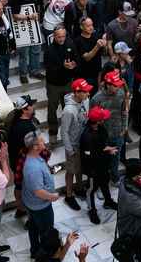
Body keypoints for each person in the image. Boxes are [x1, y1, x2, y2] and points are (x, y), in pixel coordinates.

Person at [22, 131, 60, 258]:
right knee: (46, 232)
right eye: (41, 141)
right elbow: (38, 192)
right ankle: (46, 255)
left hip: (33, 204)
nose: (44, 141)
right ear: (35, 147)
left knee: (33, 227)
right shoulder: (33, 168)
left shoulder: (35, 157)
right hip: (40, 207)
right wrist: (53, 197)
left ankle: (35, 250)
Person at [80, 105, 118, 224]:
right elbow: (89, 155)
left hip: (103, 164)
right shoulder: (87, 136)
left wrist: (106, 149)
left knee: (105, 183)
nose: (105, 120)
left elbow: (102, 144)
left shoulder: (101, 128)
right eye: (102, 118)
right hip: (92, 168)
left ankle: (108, 201)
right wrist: (106, 150)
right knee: (91, 189)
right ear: (97, 121)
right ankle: (92, 210)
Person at [60, 78, 92, 210]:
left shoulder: (85, 100)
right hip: (73, 145)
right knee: (71, 170)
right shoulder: (68, 111)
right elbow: (64, 132)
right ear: (77, 93)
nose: (87, 94)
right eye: (85, 92)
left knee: (80, 168)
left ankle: (79, 188)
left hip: (83, 142)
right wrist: (69, 150)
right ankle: (68, 195)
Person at [91, 69, 128, 181]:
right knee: (102, 161)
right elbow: (92, 120)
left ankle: (115, 178)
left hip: (118, 133)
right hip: (103, 136)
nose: (117, 88)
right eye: (115, 86)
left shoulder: (121, 93)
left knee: (115, 159)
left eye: (118, 86)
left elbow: (124, 111)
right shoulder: (96, 99)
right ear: (108, 85)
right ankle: (102, 183)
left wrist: (125, 127)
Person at [7, 95, 39, 218]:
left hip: (16, 162)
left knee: (19, 186)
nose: (33, 106)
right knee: (29, 190)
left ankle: (20, 209)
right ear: (25, 109)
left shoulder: (15, 122)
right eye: (31, 105)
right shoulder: (26, 127)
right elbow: (33, 149)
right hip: (25, 164)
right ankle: (31, 217)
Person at [45, 26, 79, 134]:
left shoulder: (70, 44)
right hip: (53, 85)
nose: (61, 39)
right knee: (52, 108)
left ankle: (68, 127)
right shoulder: (49, 50)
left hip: (67, 83)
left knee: (68, 107)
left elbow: (76, 57)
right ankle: (53, 129)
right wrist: (63, 66)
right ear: (54, 36)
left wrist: (74, 64)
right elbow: (49, 69)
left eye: (63, 36)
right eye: (59, 37)